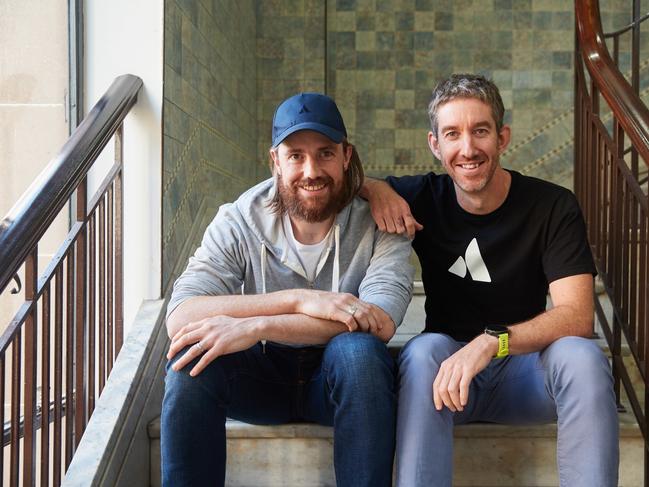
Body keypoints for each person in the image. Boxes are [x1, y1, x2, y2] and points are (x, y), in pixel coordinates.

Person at [361, 73, 619, 487]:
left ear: (502, 138)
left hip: (525, 376)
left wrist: (490, 341)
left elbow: (577, 316)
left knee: (583, 357)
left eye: (480, 131)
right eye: (452, 134)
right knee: (423, 350)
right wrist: (376, 189)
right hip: (448, 385)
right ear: (435, 145)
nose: (467, 148)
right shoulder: (422, 196)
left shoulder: (552, 205)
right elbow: (342, 181)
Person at [160, 92, 414, 487]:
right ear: (274, 161)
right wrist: (297, 299)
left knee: (360, 353)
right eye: (295, 155)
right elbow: (180, 316)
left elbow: (379, 322)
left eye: (325, 153)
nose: (311, 170)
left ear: (347, 156)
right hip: (261, 378)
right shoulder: (239, 218)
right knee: (191, 357)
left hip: (336, 382)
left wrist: (259, 325)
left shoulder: (382, 220)